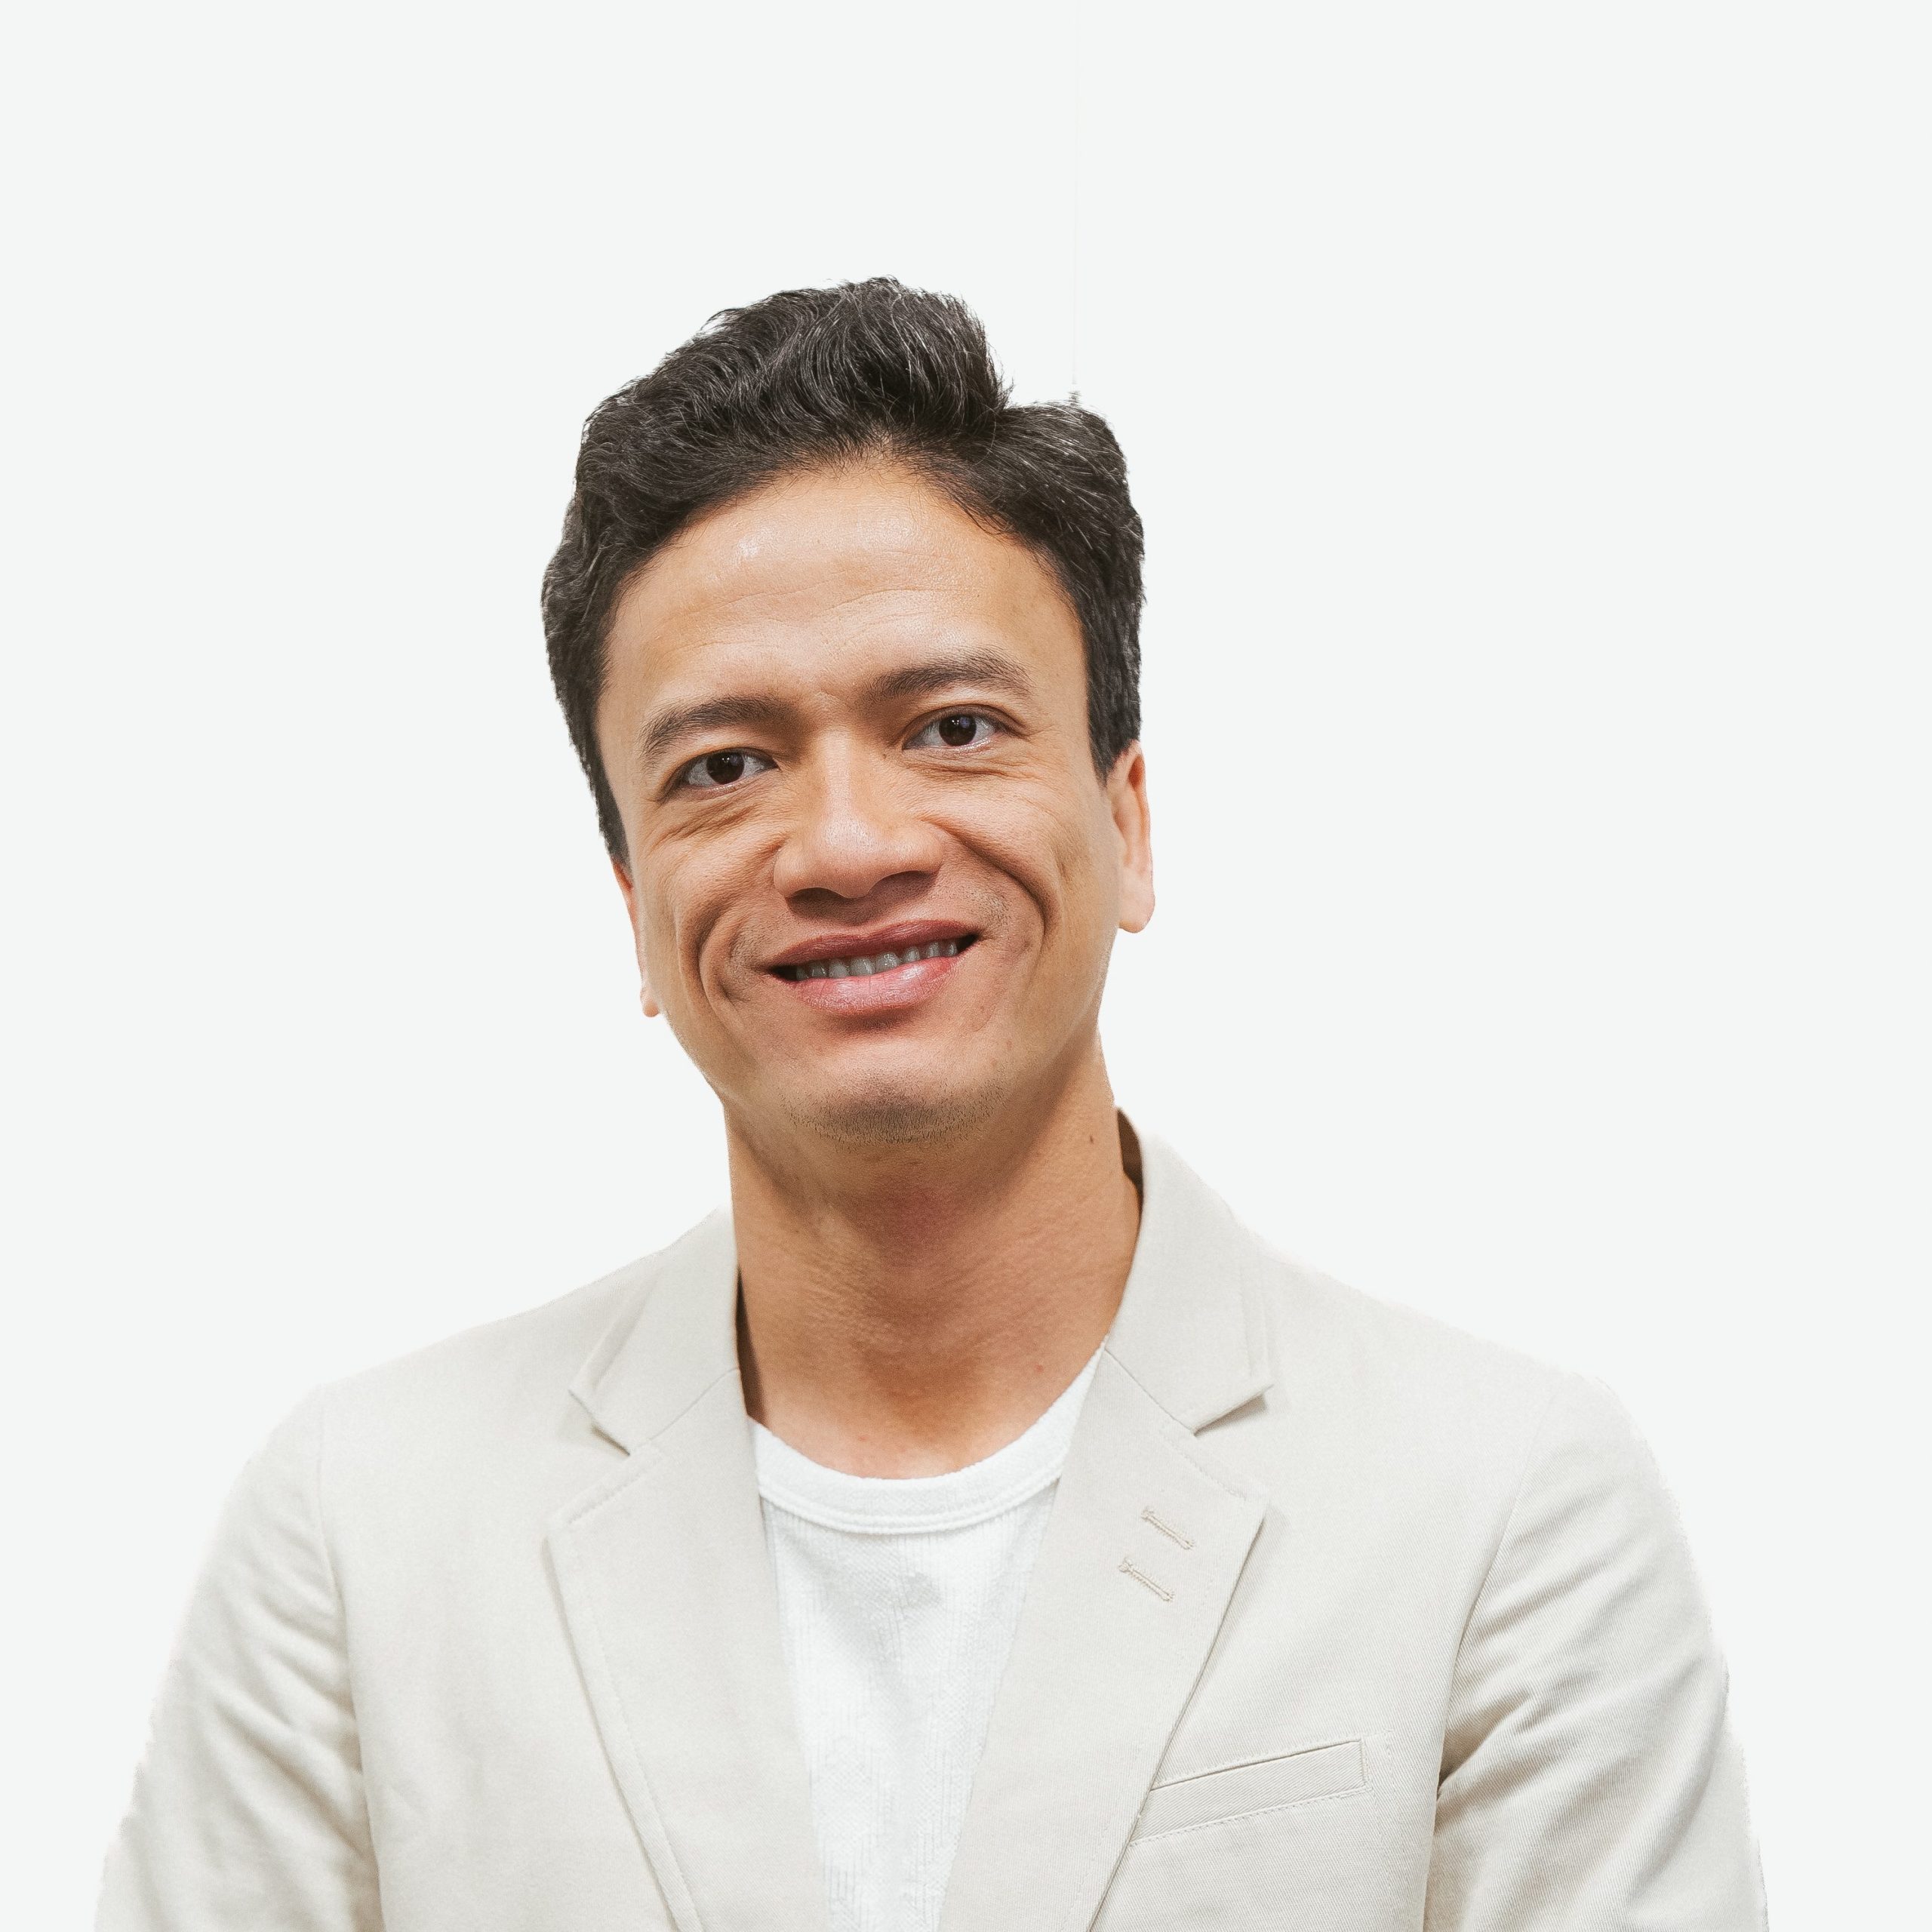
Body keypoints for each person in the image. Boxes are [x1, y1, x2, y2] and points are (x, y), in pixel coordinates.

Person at [99, 280, 1767, 1932]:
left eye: (953, 727)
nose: (846, 845)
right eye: (723, 766)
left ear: (1127, 822)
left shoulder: (1501, 1500)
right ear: (632, 903)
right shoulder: (360, 1526)